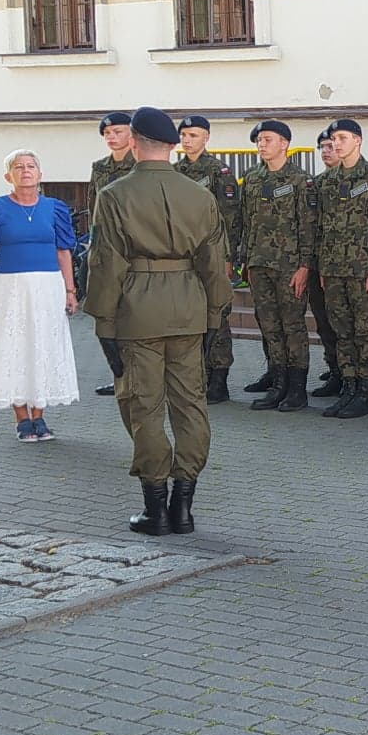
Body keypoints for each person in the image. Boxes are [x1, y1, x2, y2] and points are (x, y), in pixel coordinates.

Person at [83, 107, 232, 537]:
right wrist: (213, 316)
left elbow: (105, 262)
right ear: (171, 146)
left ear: (134, 142)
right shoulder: (199, 195)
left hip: (137, 311)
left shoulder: (114, 195)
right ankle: (183, 506)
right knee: (190, 405)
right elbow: (214, 262)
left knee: (143, 407)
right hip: (188, 307)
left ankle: (156, 507)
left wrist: (104, 323)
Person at [0, 149, 80, 442]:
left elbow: (64, 252)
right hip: (9, 288)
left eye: (31, 166)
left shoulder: (55, 209)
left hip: (48, 287)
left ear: (40, 174)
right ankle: (21, 416)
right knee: (13, 347)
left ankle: (39, 414)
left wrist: (70, 290)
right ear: (8, 176)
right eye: (18, 167)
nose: (25, 171)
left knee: (43, 346)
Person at [310, 119, 368, 419]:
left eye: (342, 138)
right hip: (333, 268)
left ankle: (365, 392)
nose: (336, 144)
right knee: (342, 331)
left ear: (357, 140)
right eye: (334, 139)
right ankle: (348, 386)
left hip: (362, 270)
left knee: (365, 331)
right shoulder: (327, 181)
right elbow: (321, 228)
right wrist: (322, 267)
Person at [237, 121, 314, 413]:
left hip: (289, 265)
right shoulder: (252, 178)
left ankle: (297, 389)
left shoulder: (300, 180)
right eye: (259, 140)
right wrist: (246, 259)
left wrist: (305, 266)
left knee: (292, 326)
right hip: (259, 263)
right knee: (269, 326)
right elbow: (247, 222)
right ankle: (278, 383)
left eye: (268, 139)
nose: (262, 144)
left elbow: (308, 226)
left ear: (284, 143)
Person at [172, 115, 242, 403]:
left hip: (212, 255)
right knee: (189, 317)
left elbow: (230, 217)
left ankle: (219, 379)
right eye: (184, 135)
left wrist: (227, 257)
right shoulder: (174, 172)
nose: (188, 140)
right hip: (182, 258)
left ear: (206, 138)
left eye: (194, 135)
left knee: (217, 315)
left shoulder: (218, 171)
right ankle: (195, 376)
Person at [87, 111, 136, 397]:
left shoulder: (141, 167)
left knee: (134, 316)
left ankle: (138, 376)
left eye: (118, 132)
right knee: (108, 316)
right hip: (106, 252)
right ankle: (120, 375)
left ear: (131, 134)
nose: (112, 137)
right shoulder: (100, 168)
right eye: (107, 133)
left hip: (134, 252)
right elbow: (94, 210)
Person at [305, 130, 345, 398]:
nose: (327, 151)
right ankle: (335, 369)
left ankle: (351, 374)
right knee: (324, 321)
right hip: (318, 264)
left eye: (331, 146)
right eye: (322, 147)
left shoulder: (360, 181)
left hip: (345, 266)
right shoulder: (316, 184)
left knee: (345, 324)